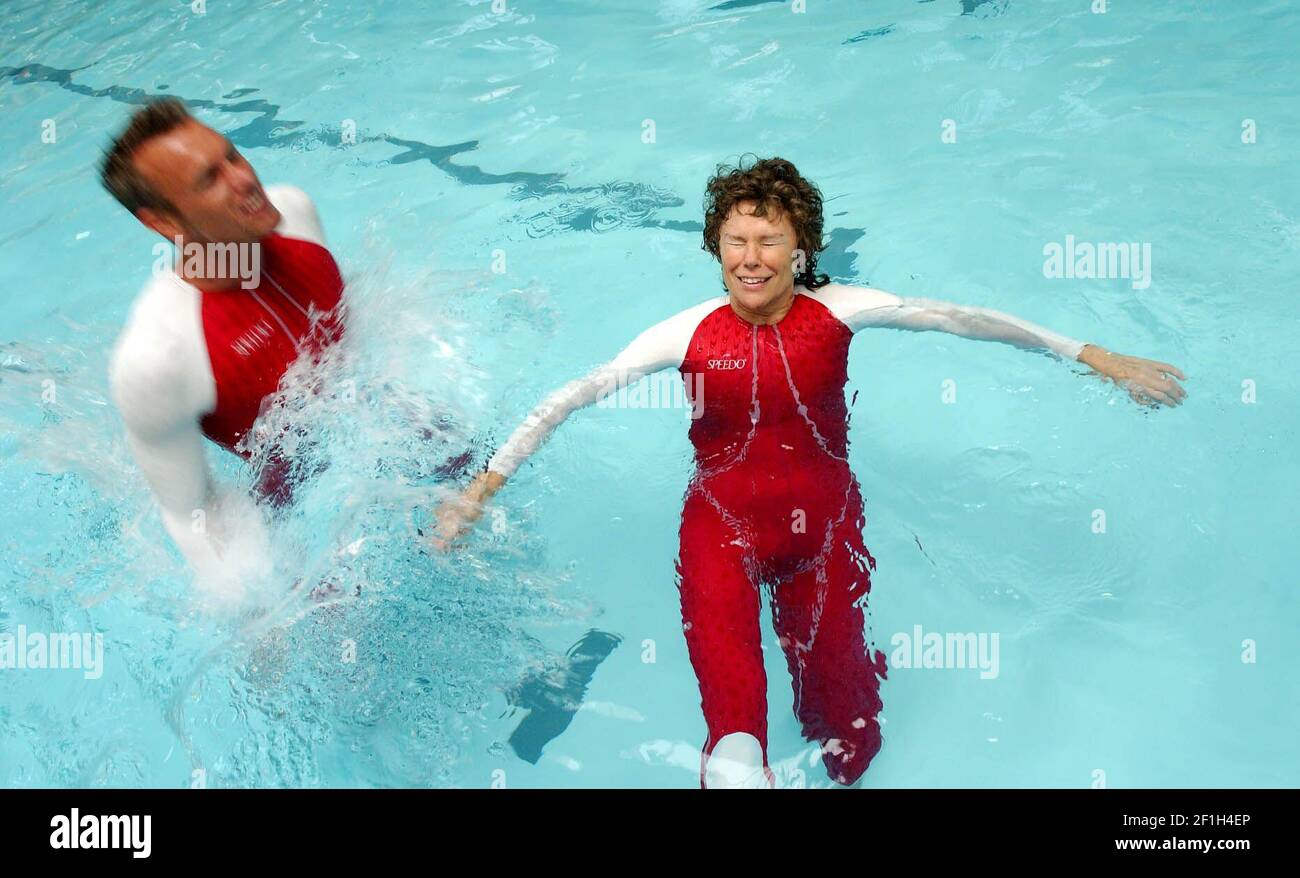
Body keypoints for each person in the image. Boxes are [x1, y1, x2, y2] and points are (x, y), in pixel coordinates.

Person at [431, 157, 1187, 788]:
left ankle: (848, 679)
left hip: (824, 538)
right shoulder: (683, 334)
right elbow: (565, 402)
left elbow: (966, 318)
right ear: (714, 246)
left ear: (801, 247)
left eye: (769, 239)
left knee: (851, 744)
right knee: (734, 745)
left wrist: (1095, 356)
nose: (750, 257)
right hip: (718, 539)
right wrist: (477, 493)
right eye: (735, 240)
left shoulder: (843, 310)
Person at [104, 98, 348, 598]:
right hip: (303, 512)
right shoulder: (159, 359)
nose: (244, 180)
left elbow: (347, 341)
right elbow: (191, 515)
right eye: (209, 179)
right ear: (163, 223)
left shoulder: (296, 212)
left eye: (233, 156)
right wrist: (266, 609)